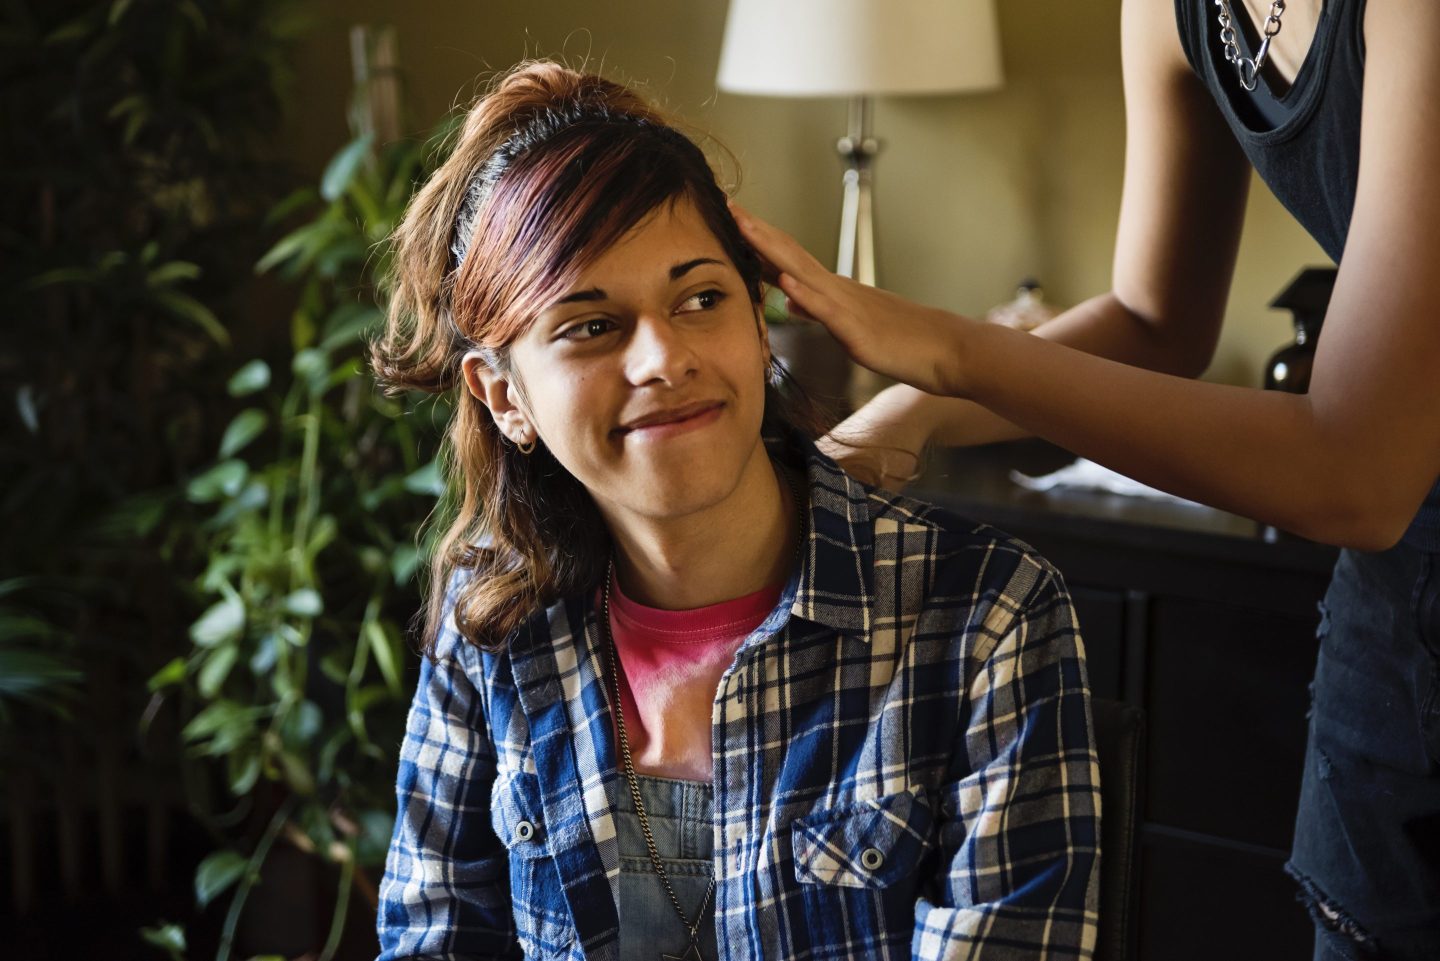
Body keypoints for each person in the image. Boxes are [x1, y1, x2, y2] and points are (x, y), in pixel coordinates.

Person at [731, 1, 1440, 958]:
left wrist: (954, 352)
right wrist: (912, 409)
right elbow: (1156, 322)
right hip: (1402, 604)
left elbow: (1358, 472)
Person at [370, 62, 1100, 961]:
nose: (664, 358)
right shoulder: (491, 620)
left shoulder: (985, 619)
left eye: (702, 298)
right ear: (502, 396)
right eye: (591, 324)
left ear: (761, 326)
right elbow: (432, 937)